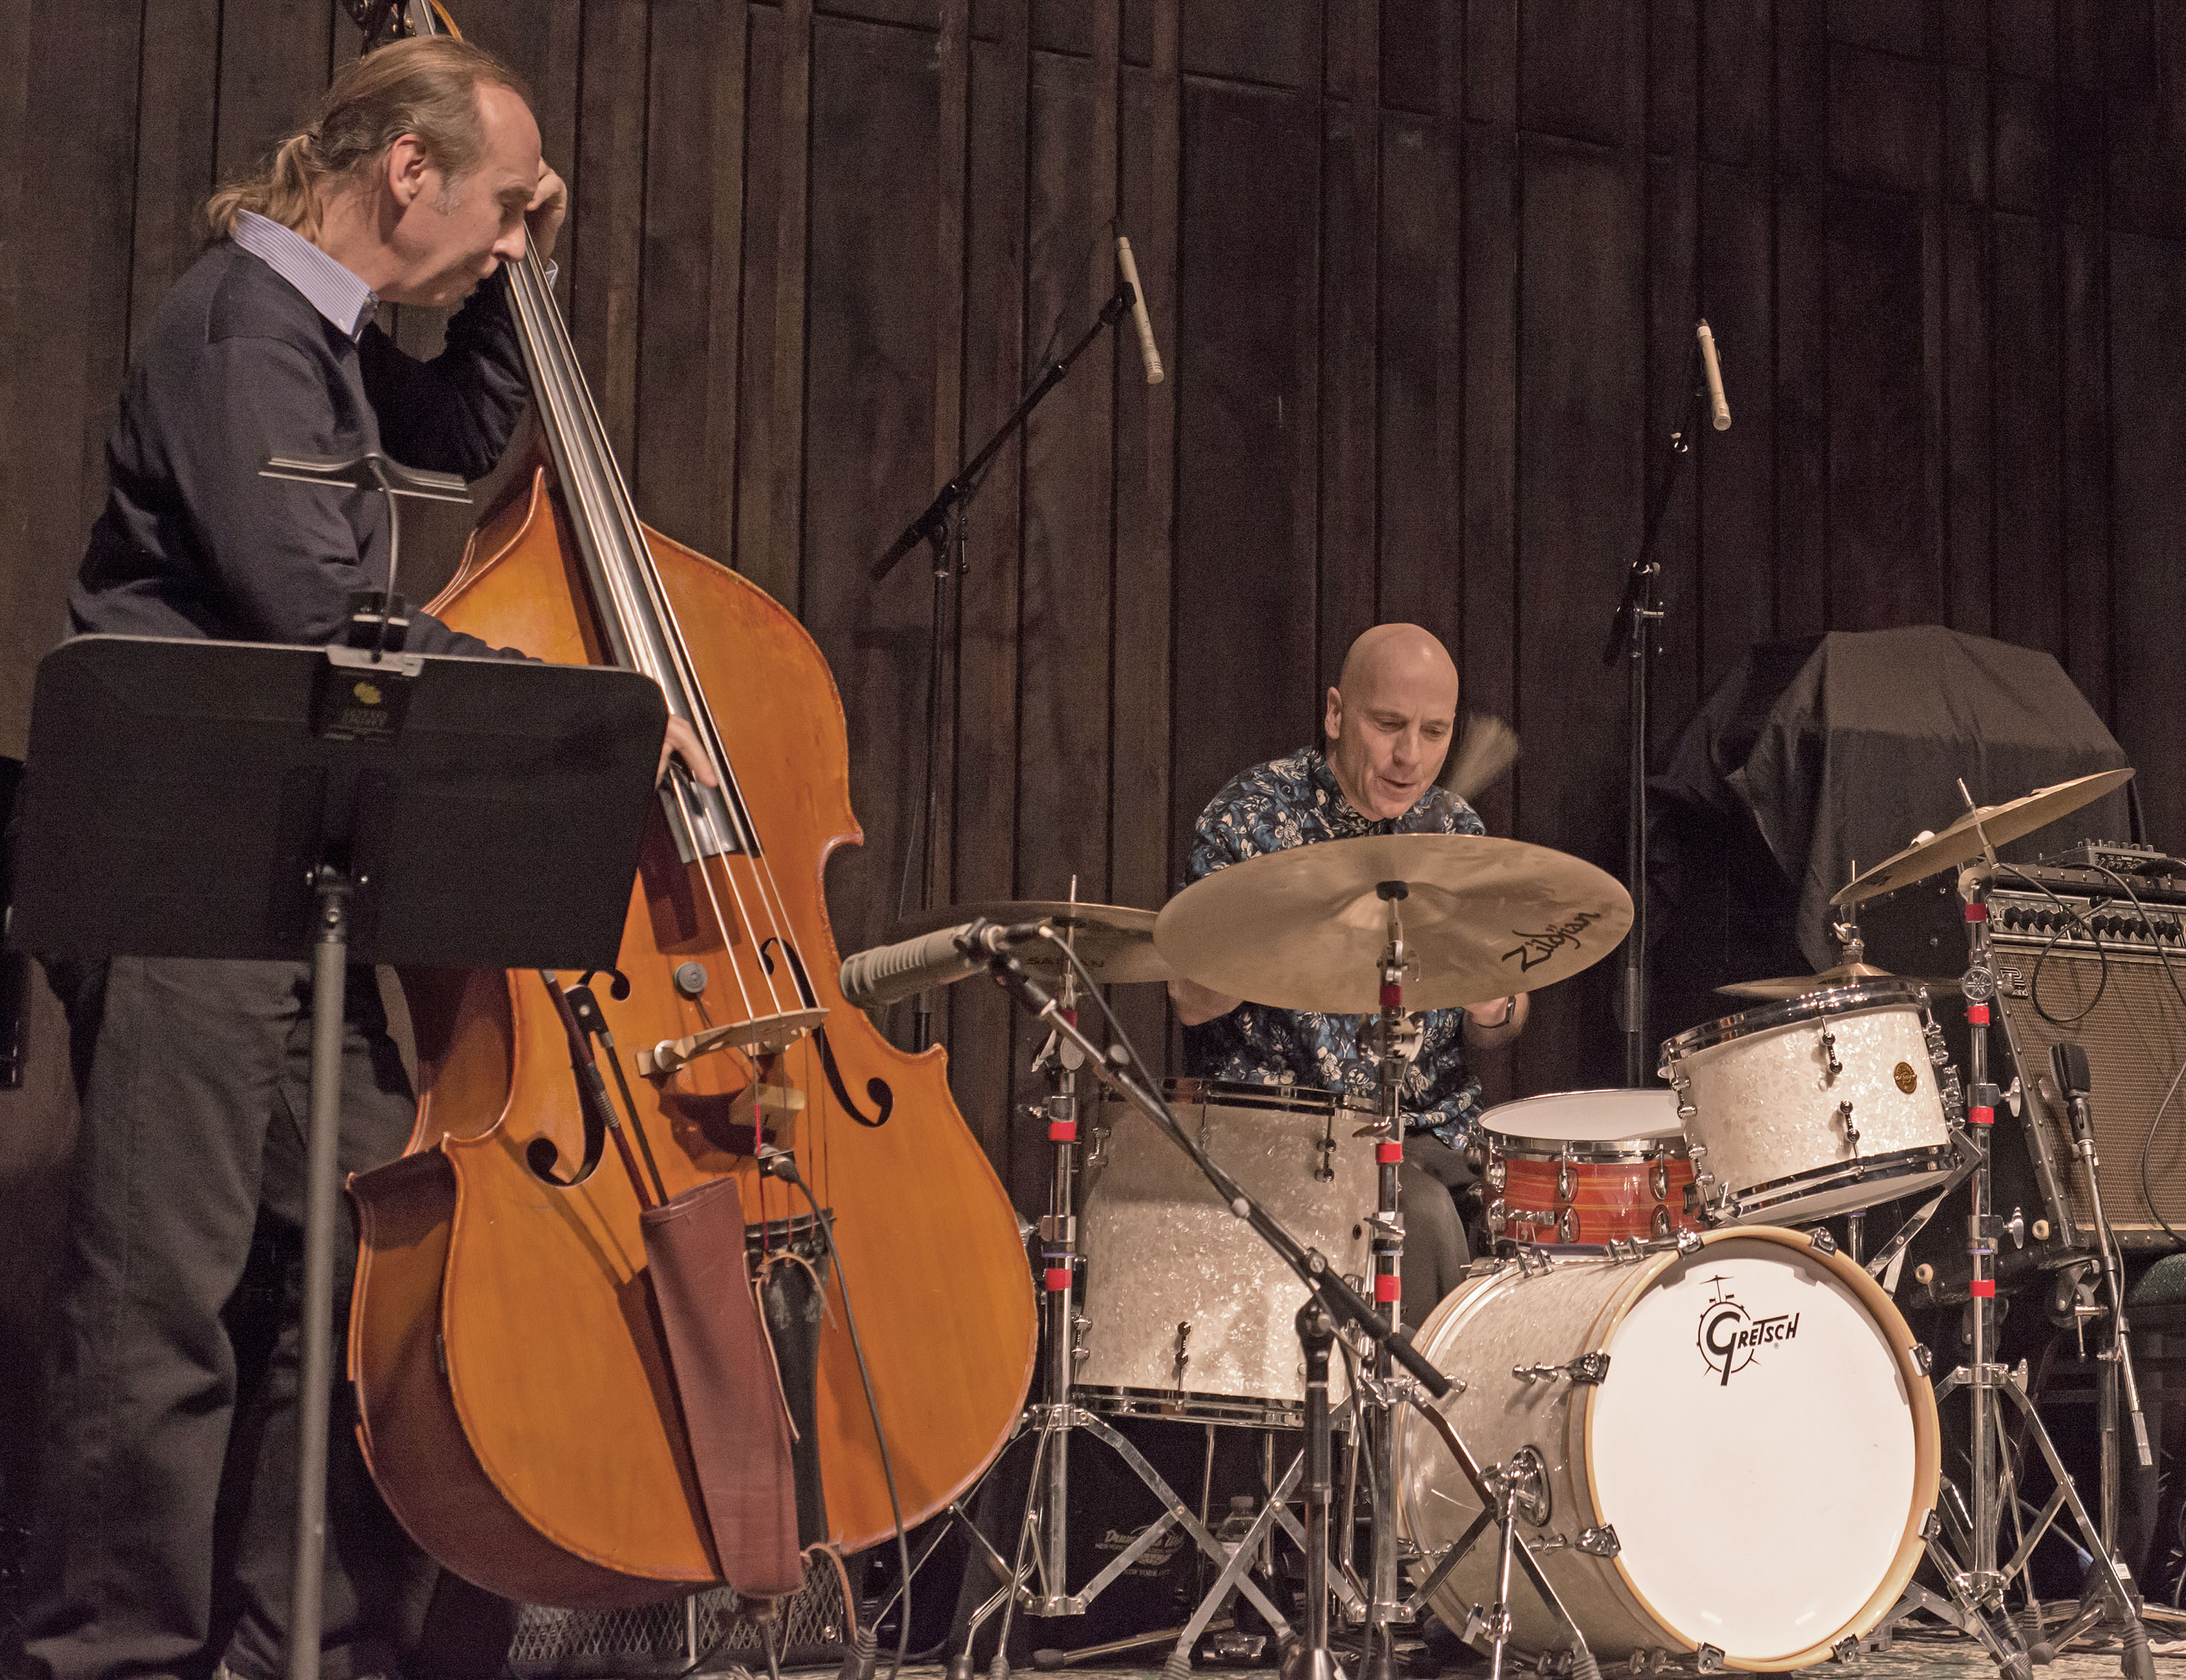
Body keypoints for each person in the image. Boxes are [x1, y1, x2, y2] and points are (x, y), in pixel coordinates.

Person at [22, 36, 711, 1680]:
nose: (502, 232)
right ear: (404, 171)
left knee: (342, 1301)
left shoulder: (322, 343)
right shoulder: (238, 329)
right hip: (184, 875)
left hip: (292, 887)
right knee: (163, 1316)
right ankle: (109, 1654)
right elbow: (328, 618)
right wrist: (587, 719)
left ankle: (296, 1652)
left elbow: (458, 429)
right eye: (488, 202)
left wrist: (509, 275)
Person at [1169, 623, 1528, 1328]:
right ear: (1335, 713)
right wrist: (1309, 916)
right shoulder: (1253, 818)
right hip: (1287, 1136)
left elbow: (1503, 1021)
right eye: (1388, 725)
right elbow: (1188, 999)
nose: (1409, 755)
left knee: (1543, 1218)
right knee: (1417, 1219)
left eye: (1433, 732)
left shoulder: (1455, 833)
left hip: (1431, 1129)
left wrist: (1493, 1002)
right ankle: (1398, 1439)